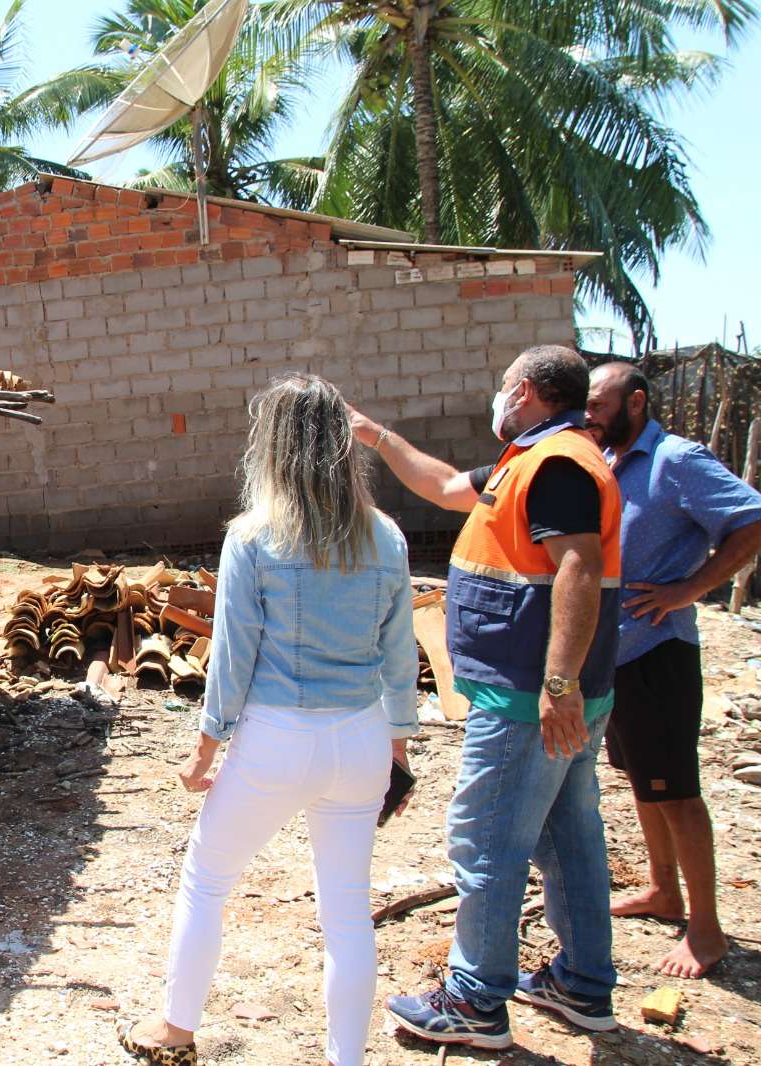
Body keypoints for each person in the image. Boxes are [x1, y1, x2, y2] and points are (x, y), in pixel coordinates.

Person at [118, 374, 420, 1066]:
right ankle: (346, 1059)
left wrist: (204, 750)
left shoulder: (255, 536)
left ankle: (176, 1028)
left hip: (278, 738)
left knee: (208, 876)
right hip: (362, 739)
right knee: (347, 911)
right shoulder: (388, 537)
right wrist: (398, 751)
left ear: (273, 448)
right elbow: (399, 658)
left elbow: (233, 656)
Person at [350, 345, 622, 1049]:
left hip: (531, 699)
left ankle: (474, 1000)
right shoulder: (528, 461)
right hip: (554, 696)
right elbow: (442, 485)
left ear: (525, 390)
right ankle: (583, 983)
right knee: (567, 837)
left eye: (504, 387)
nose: (498, 397)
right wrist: (377, 436)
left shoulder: (557, 464)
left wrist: (557, 685)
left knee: (488, 839)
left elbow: (578, 570)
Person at [585, 360, 761, 978]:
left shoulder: (678, 460)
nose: (589, 414)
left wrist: (689, 589)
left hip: (659, 653)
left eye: (600, 404)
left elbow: (752, 519)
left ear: (635, 403)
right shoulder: (608, 461)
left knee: (679, 793)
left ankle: (707, 931)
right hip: (618, 652)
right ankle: (664, 892)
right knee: (642, 781)